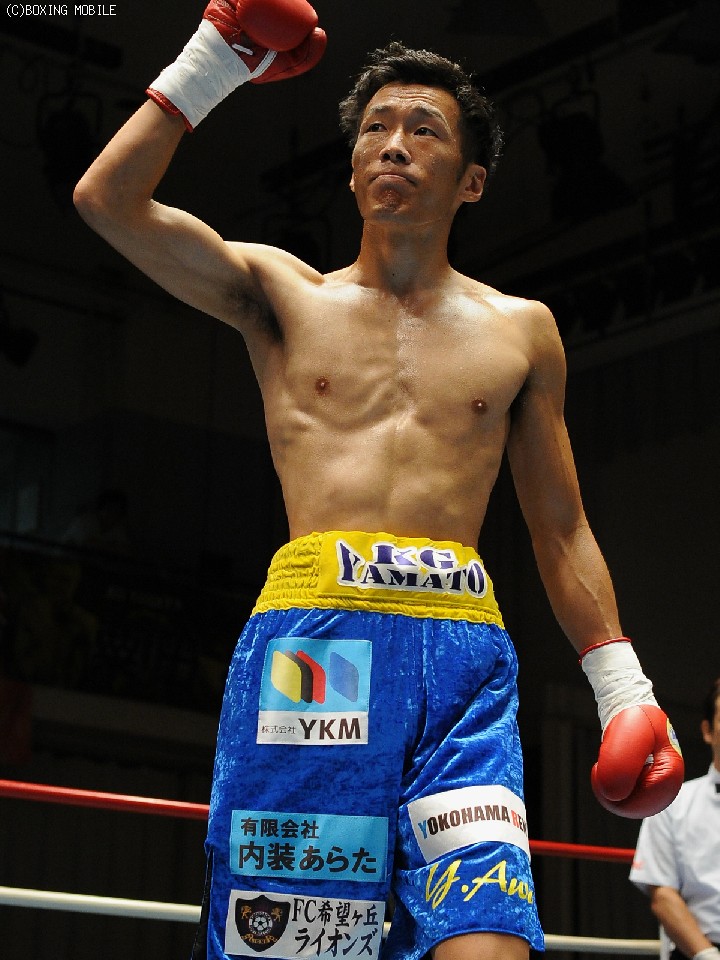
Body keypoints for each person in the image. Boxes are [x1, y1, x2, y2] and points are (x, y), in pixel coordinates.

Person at [73, 2, 685, 958]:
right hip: (319, 655)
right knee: (297, 944)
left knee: (488, 938)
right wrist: (216, 61)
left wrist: (622, 688)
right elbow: (107, 200)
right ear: (354, 164)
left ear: (472, 180)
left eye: (424, 129)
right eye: (375, 128)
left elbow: (560, 529)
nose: (393, 144)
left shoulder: (523, 331)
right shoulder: (282, 294)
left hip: (463, 663)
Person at [630, 679, 720, 960]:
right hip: (700, 949)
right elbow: (662, 895)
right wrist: (708, 956)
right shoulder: (672, 802)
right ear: (708, 731)